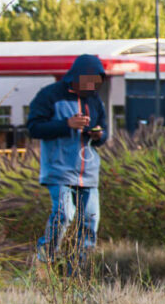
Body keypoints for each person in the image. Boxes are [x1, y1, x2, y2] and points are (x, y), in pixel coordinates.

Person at [26, 54, 109, 270]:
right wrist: (66, 124)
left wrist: (99, 135)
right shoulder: (49, 95)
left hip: (89, 172)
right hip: (59, 169)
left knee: (90, 222)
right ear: (76, 76)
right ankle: (45, 261)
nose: (92, 86)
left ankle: (78, 271)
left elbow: (105, 132)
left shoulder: (95, 100)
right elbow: (34, 128)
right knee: (64, 214)